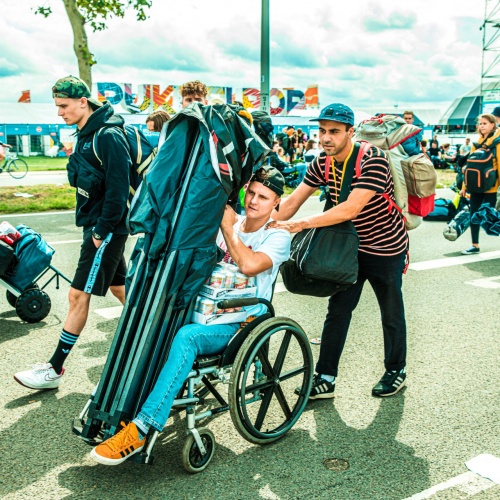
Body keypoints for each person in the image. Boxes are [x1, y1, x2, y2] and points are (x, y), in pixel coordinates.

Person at [89, 166, 291, 465]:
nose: (253, 201)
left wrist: (227, 229)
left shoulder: (276, 236)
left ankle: (142, 427)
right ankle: (117, 402)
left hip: (241, 323)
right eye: (251, 193)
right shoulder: (231, 222)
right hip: (202, 309)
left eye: (263, 197)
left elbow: (249, 266)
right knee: (152, 322)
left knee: (187, 337)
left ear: (276, 202)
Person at [267, 102, 409, 399]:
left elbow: (350, 209)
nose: (326, 138)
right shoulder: (323, 162)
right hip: (349, 249)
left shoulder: (373, 160)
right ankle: (325, 378)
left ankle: (396, 370)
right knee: (338, 310)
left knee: (390, 311)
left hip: (384, 247)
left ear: (350, 132)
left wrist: (301, 224)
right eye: (322, 131)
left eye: (334, 131)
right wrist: (255, 225)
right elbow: (292, 202)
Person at [14, 75, 132, 390]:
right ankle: (160, 337)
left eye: (64, 106)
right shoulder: (84, 134)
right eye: (57, 106)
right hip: (97, 225)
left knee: (77, 295)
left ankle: (54, 369)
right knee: (120, 288)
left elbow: (118, 191)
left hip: (105, 228)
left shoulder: (108, 136)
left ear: (83, 102)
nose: (59, 112)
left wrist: (100, 231)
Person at [460, 113, 500, 255]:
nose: (482, 126)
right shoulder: (476, 143)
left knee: (493, 218)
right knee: (474, 215)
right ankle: (475, 245)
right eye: (480, 123)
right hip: (475, 187)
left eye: (485, 123)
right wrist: (464, 186)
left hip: (491, 187)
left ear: (493, 125)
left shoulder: (497, 142)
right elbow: (469, 167)